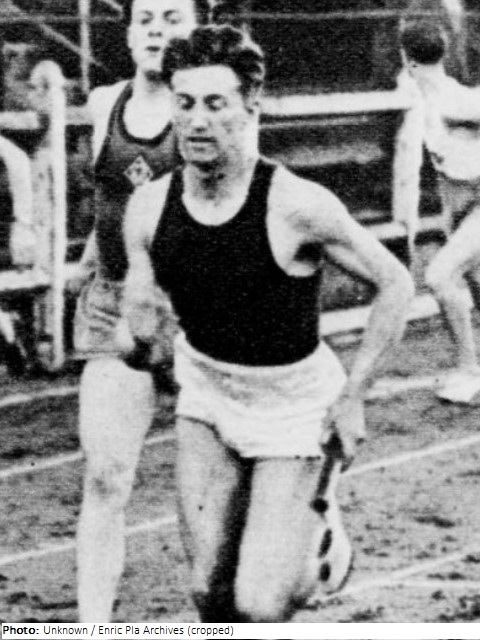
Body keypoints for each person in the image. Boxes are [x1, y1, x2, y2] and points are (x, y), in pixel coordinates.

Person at [123, 25, 414, 623]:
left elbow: (396, 283)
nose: (197, 121)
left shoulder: (297, 205)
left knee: (259, 607)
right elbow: (141, 325)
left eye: (215, 103)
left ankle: (321, 544)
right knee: (210, 595)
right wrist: (140, 340)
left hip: (294, 407)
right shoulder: (148, 208)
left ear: (251, 104)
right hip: (207, 392)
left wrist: (354, 398)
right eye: (185, 103)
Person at [71, 0, 209, 622]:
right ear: (128, 33)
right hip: (114, 305)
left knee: (207, 489)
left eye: (171, 18)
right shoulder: (105, 103)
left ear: (196, 30)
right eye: (145, 18)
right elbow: (111, 193)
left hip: (195, 312)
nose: (156, 30)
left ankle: (220, 622)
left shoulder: (213, 113)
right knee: (105, 475)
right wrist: (88, 256)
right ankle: (92, 627)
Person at [400, 21, 480, 403]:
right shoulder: (419, 99)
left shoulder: (454, 100)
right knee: (474, 283)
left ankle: (469, 372)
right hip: (463, 207)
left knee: (440, 275)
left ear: (406, 59)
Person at [0, 134, 36, 376]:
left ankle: (11, 336)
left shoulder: (11, 155)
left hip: (12, 232)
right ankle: (11, 335)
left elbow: (17, 160)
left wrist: (22, 224)